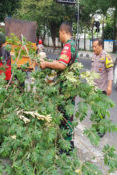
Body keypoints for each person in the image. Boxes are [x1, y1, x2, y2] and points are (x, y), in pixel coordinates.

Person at [40, 22, 78, 152]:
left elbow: (62, 65)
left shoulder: (68, 46)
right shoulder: (72, 45)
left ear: (63, 32)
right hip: (70, 86)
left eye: (59, 34)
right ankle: (68, 143)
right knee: (67, 114)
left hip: (67, 88)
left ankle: (66, 147)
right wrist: (50, 62)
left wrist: (46, 64)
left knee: (65, 114)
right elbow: (61, 61)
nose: (59, 36)